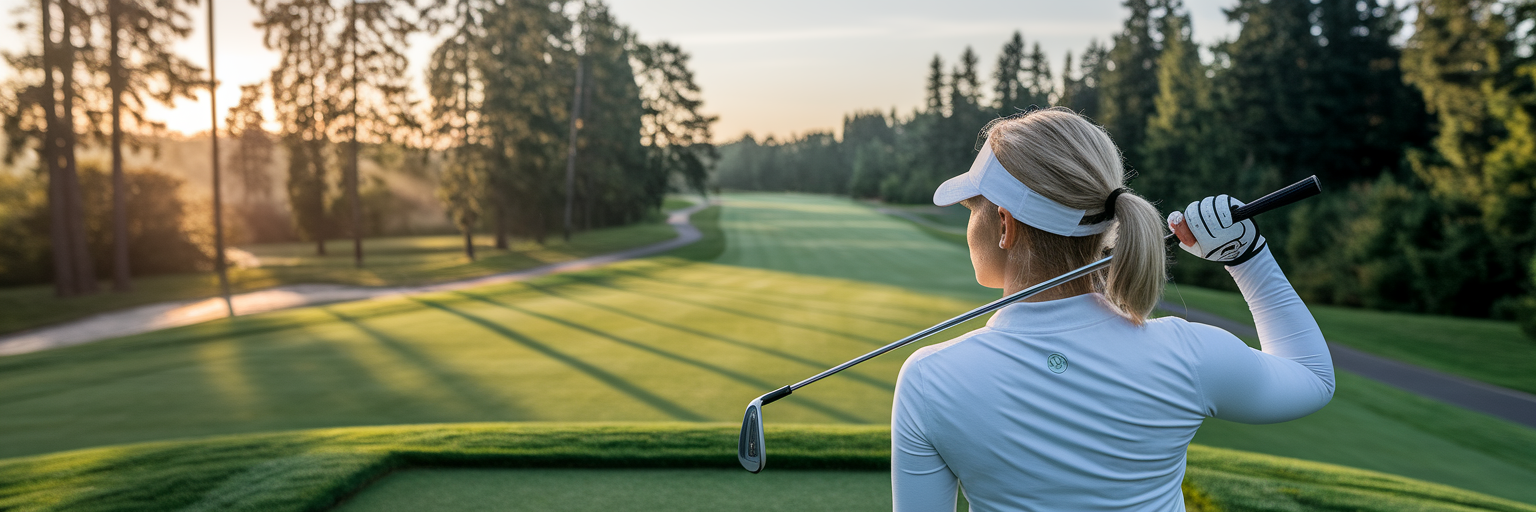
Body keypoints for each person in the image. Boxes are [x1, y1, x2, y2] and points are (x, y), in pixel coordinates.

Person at [892, 108, 1334, 511]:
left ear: (1004, 226)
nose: (970, 222)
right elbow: (1313, 377)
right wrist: (1248, 255)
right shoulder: (1187, 351)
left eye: (973, 207)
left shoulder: (930, 377)